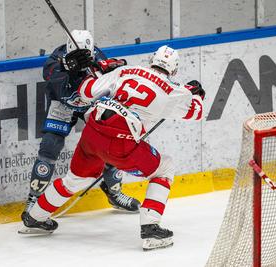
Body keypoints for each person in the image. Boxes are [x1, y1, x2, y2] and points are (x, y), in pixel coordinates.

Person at [22, 45, 205, 250]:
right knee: (165, 168)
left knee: (75, 180)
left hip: (92, 133)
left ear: (152, 60)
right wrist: (194, 94)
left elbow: (86, 91)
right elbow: (196, 112)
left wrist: (100, 68)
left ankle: (34, 217)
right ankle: (151, 228)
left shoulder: (125, 71)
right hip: (121, 142)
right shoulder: (174, 91)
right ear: (175, 70)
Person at [21, 30, 140, 223]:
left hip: (89, 102)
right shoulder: (58, 57)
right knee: (50, 147)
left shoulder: (97, 54)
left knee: (110, 140)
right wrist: (67, 66)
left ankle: (114, 192)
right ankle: (33, 199)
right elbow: (48, 73)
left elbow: (108, 77)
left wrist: (108, 68)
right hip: (63, 103)